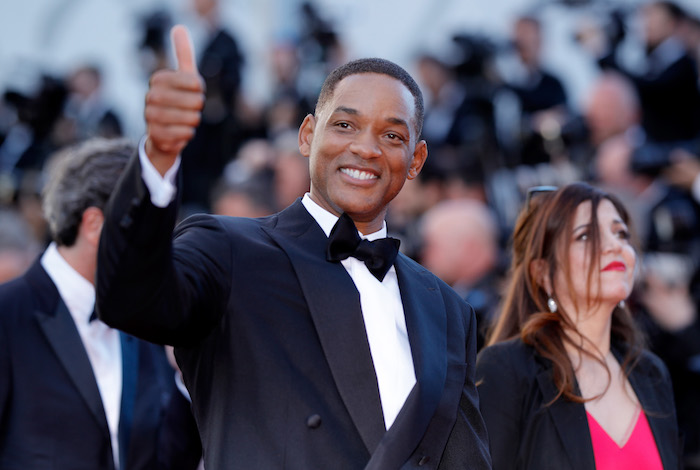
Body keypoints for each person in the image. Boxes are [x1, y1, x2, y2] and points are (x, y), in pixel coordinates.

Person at [96, 25, 491, 469]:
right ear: (307, 135)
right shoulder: (230, 251)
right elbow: (129, 299)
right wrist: (158, 160)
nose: (366, 148)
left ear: (415, 160)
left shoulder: (447, 308)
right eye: (345, 124)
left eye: (392, 136)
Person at [0, 138, 200, 469]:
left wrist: (185, 377)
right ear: (95, 225)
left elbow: (170, 460)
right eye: (148, 226)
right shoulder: (7, 316)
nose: (163, 244)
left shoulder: (150, 322)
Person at [476, 183, 681, 469]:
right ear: (543, 272)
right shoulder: (508, 369)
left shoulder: (651, 373)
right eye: (586, 236)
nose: (614, 246)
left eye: (621, 233)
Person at [420, 198, 503, 351]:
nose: (425, 255)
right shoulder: (477, 297)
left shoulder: (491, 310)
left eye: (432, 245)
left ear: (469, 248)